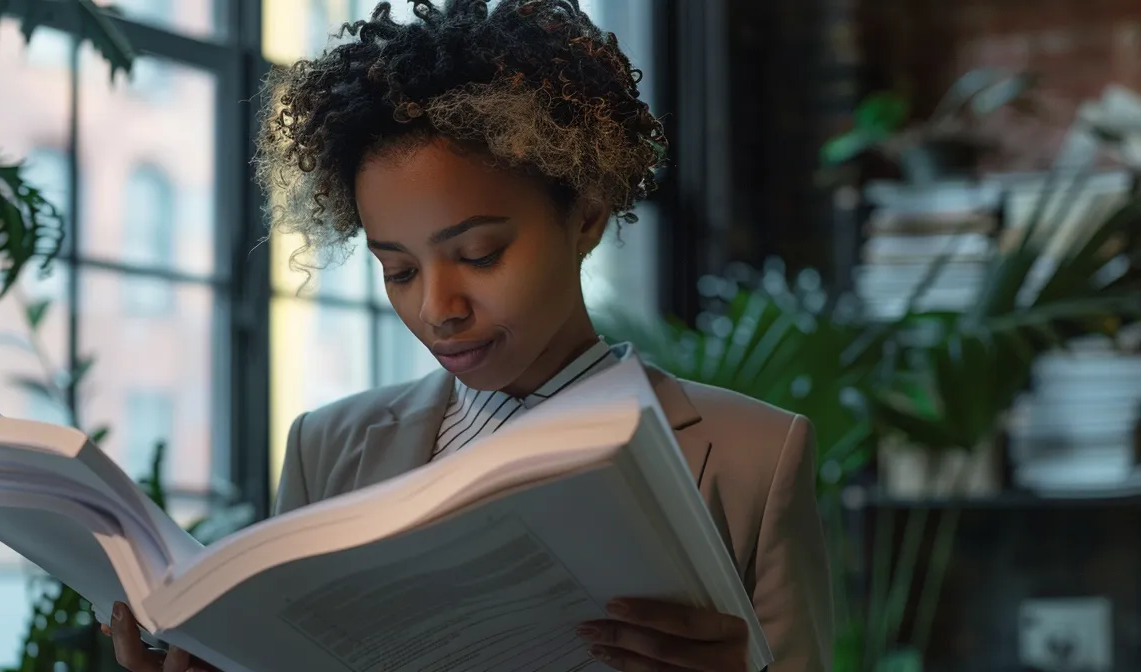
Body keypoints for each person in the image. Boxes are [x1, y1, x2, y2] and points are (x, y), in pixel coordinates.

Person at [106, 1, 832, 670]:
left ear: (584, 215)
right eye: (397, 270)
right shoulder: (327, 449)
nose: (437, 308)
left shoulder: (752, 459)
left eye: (479, 255)